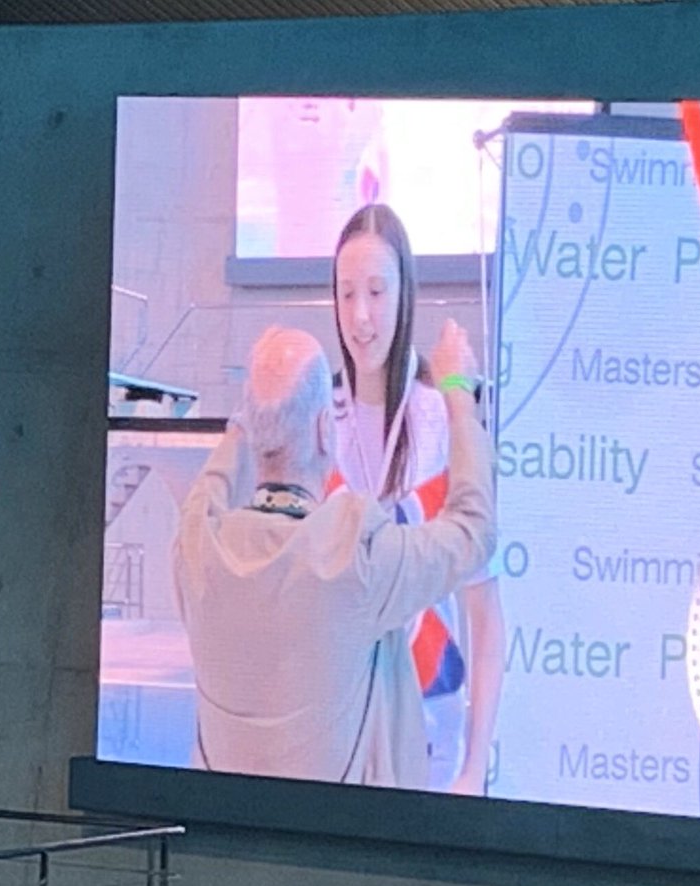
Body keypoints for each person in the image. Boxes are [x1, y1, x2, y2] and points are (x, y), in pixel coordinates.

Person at [173, 322, 494, 789]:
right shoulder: (355, 559)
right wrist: (459, 395)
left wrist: (252, 419)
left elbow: (210, 488)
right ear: (327, 429)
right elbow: (473, 530)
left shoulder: (196, 549)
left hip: (220, 844)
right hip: (341, 849)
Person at [329, 203, 505, 796]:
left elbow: (485, 616)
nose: (360, 316)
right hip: (337, 721)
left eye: (377, 292)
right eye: (347, 292)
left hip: (432, 720)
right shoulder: (319, 419)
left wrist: (475, 767)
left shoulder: (440, 417)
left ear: (405, 294)